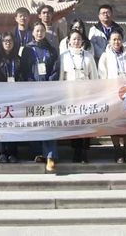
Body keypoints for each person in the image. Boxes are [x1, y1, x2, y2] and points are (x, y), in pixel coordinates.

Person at [54, 29, 97, 163]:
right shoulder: (64, 56)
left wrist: (94, 93)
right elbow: (61, 77)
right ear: (69, 41)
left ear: (82, 41)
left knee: (86, 123)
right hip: (70, 94)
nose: (76, 41)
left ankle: (84, 151)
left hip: (86, 95)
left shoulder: (88, 56)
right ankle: (76, 151)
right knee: (74, 123)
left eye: (79, 39)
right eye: (74, 39)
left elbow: (94, 77)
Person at [98, 29, 126, 164]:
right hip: (112, 95)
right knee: (115, 124)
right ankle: (117, 151)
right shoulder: (105, 57)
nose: (117, 42)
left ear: (123, 41)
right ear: (109, 41)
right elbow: (102, 77)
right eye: (114, 39)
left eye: (119, 39)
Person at [24, 22, 59, 172]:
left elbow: (56, 69)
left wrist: (48, 84)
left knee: (49, 122)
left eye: (42, 31)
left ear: (45, 33)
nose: (39, 33)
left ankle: (50, 155)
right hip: (33, 91)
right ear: (32, 33)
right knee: (35, 122)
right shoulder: (27, 50)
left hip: (49, 91)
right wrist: (32, 84)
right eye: (37, 31)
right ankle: (37, 153)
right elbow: (25, 69)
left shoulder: (51, 50)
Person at [0, 32, 24, 163]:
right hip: (0, 96)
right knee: (1, 124)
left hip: (14, 96)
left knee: (13, 124)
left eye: (10, 41)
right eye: (5, 41)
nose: (8, 43)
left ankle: (13, 152)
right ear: (1, 43)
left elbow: (21, 76)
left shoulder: (18, 59)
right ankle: (2, 152)